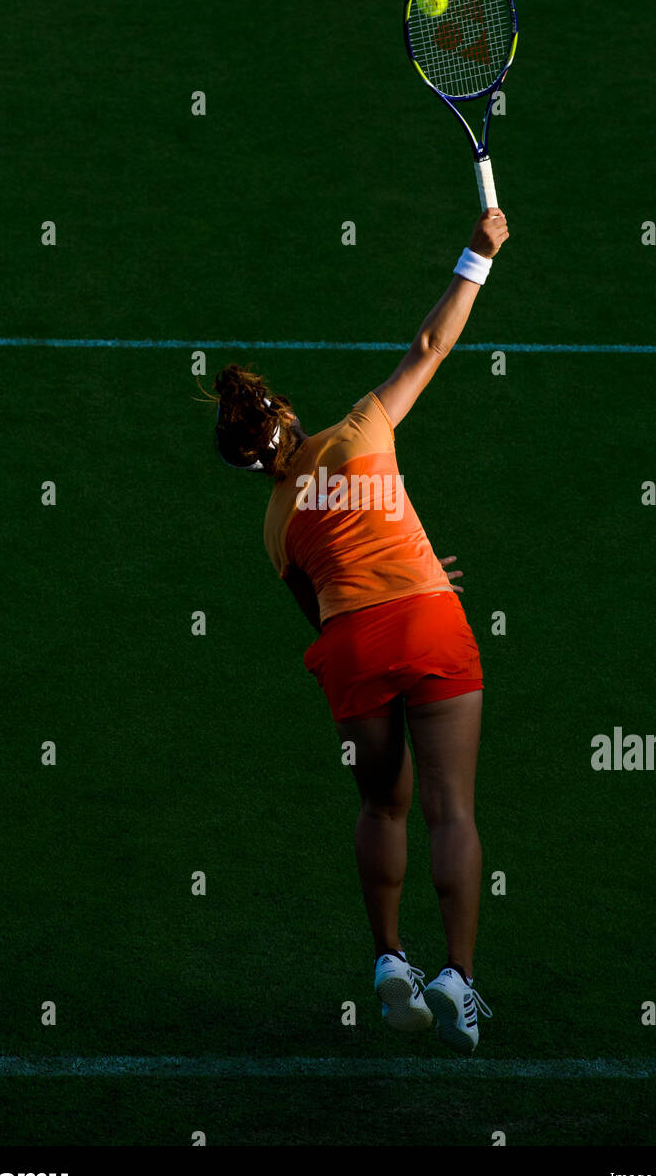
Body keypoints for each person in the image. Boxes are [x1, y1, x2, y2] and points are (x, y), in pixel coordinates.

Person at [210, 207, 509, 1053]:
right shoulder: (361, 427)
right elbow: (430, 349)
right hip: (432, 623)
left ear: (248, 465)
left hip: (355, 648)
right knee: (454, 811)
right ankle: (458, 976)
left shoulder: (274, 527)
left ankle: (389, 961)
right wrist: (477, 255)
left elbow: (324, 610)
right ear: (288, 413)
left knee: (384, 804)